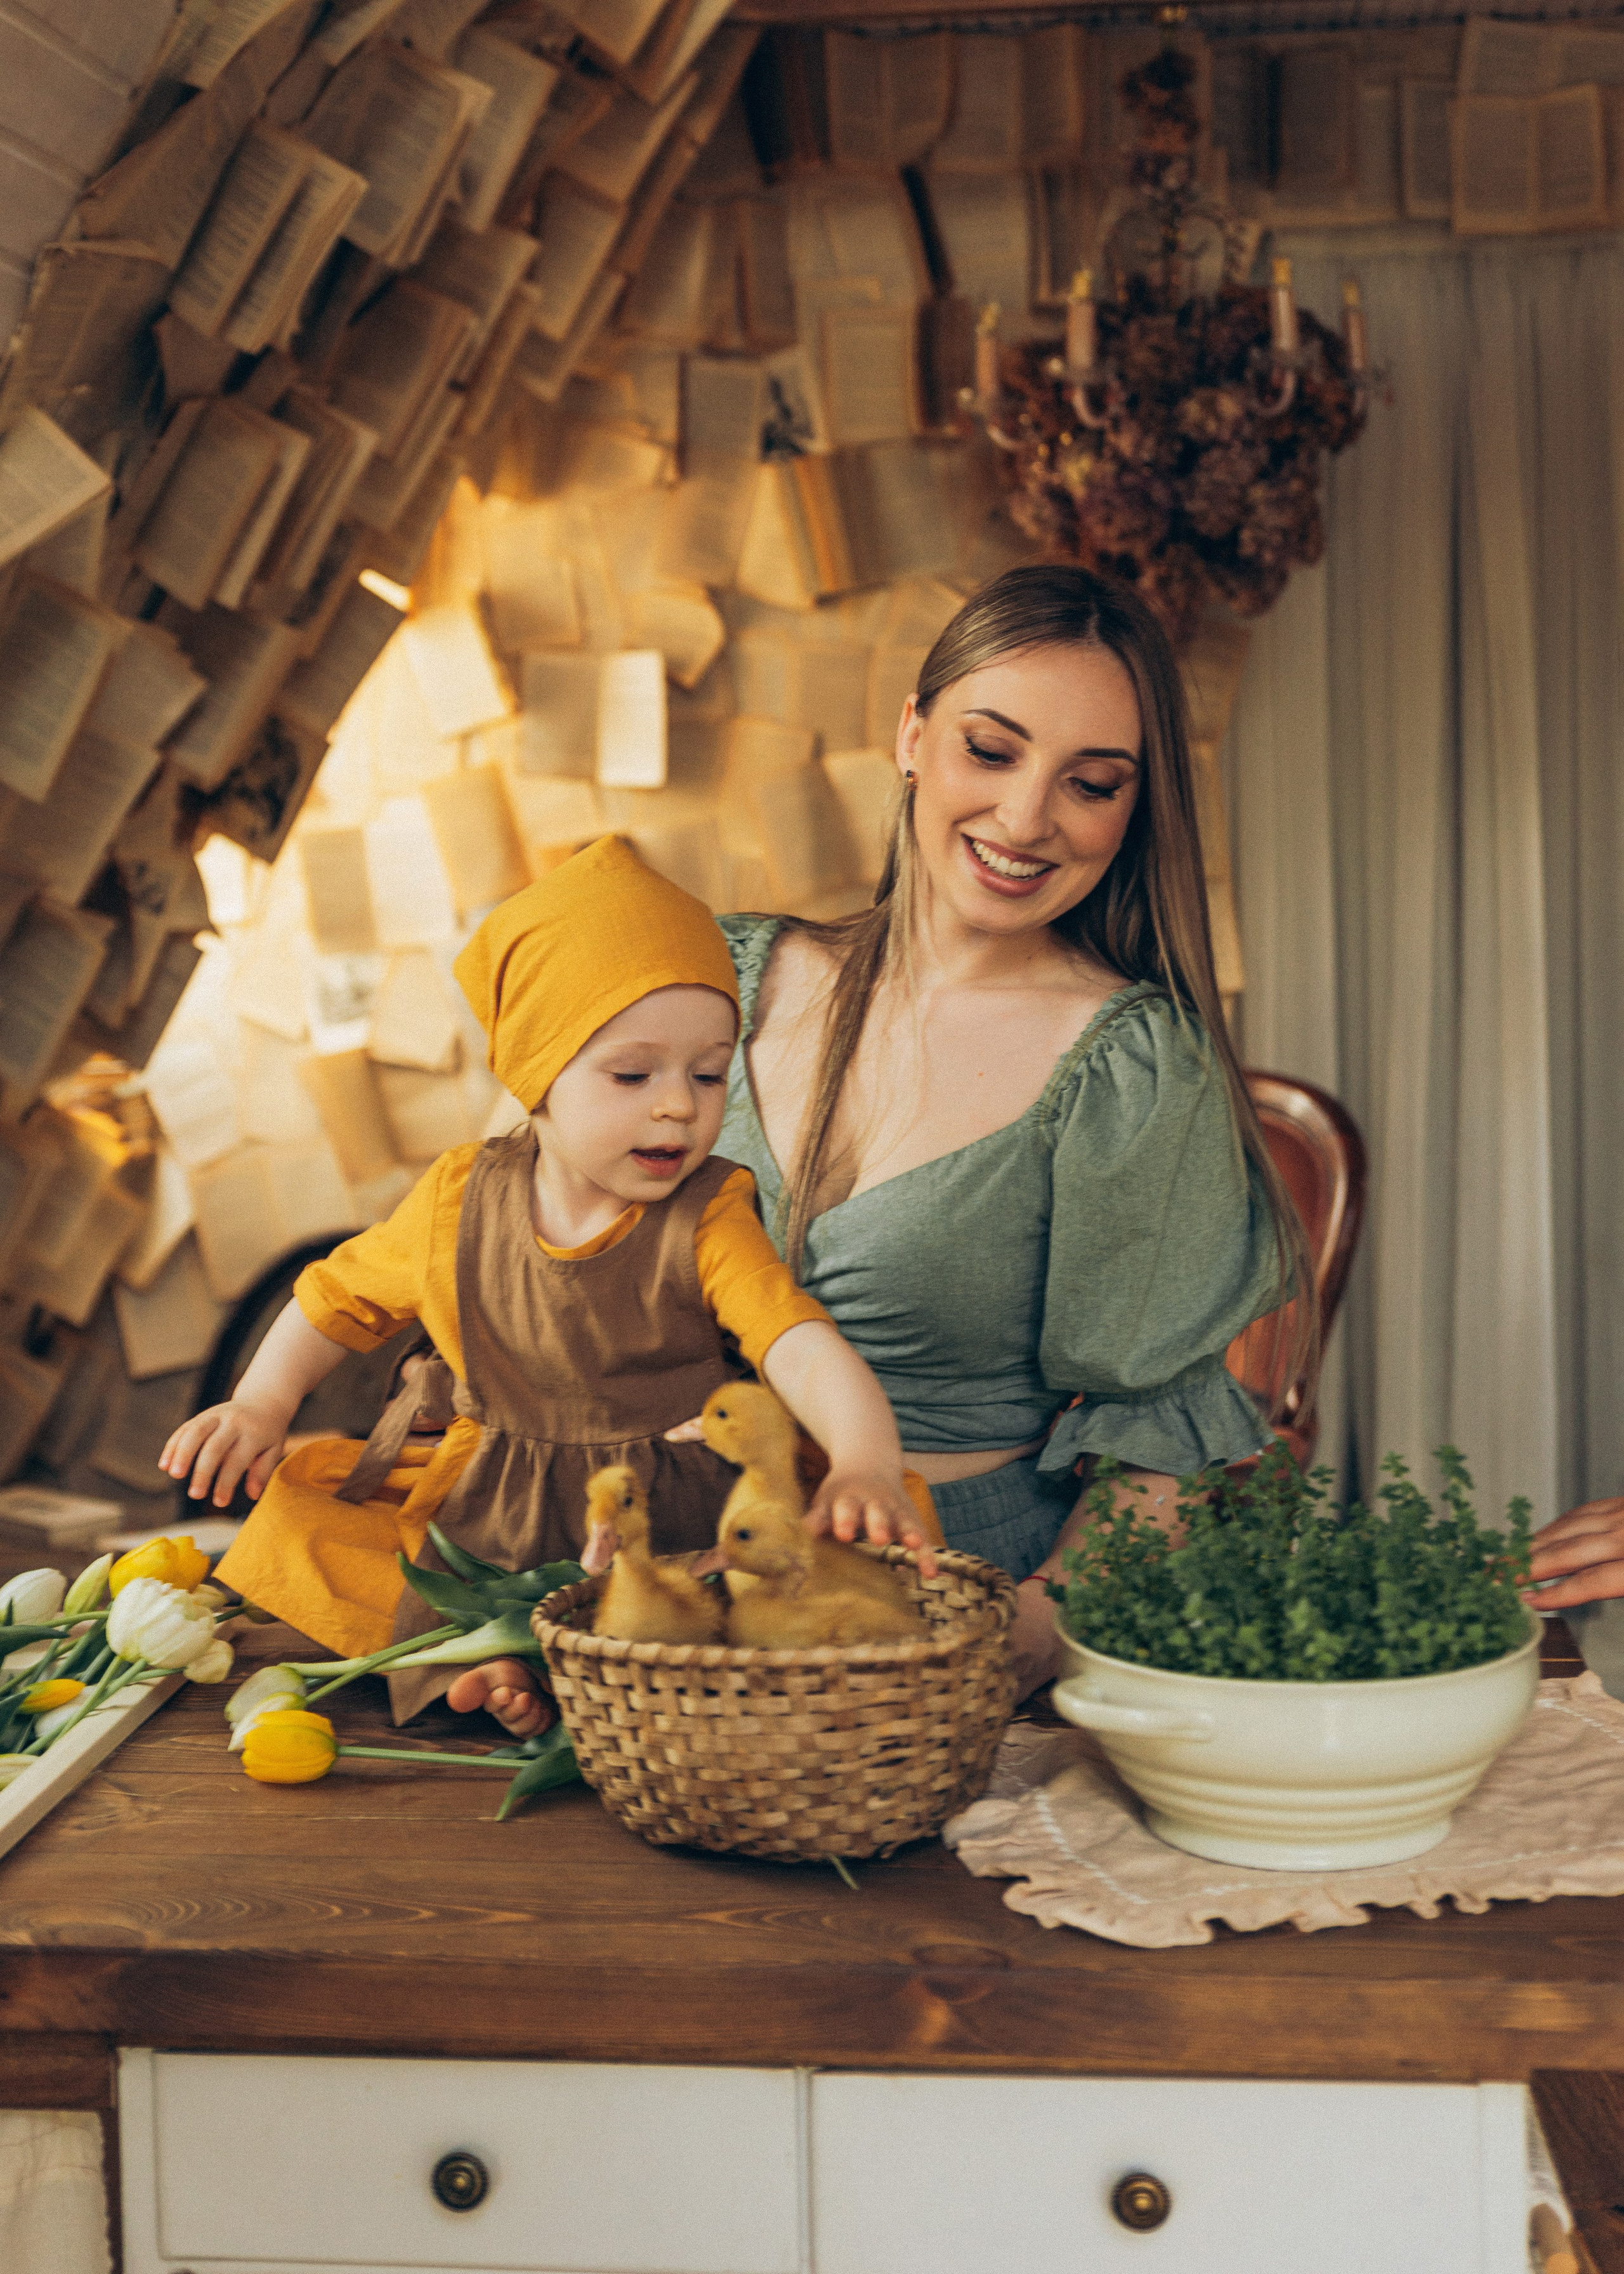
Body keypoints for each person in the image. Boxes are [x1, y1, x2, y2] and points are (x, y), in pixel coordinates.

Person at [164, 838, 930, 1732]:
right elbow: (333, 1301)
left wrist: (863, 1458)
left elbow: (797, 1345)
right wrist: (260, 1406)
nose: (679, 1105)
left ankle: (554, 1662)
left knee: (791, 1567)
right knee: (301, 1527)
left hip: (658, 1518)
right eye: (633, 1074)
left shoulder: (707, 1211)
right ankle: (489, 1651)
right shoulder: (458, 1198)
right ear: (538, 1074)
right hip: (491, 1510)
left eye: (710, 1073)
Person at [712, 564, 1311, 1698]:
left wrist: (1013, 1644)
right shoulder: (721, 977)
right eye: (992, 752)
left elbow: (1162, 1444)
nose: (1026, 818)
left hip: (948, 1592)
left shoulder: (1130, 1064)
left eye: (1091, 783)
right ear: (911, 737)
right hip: (667, 1579)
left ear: (1134, 812)